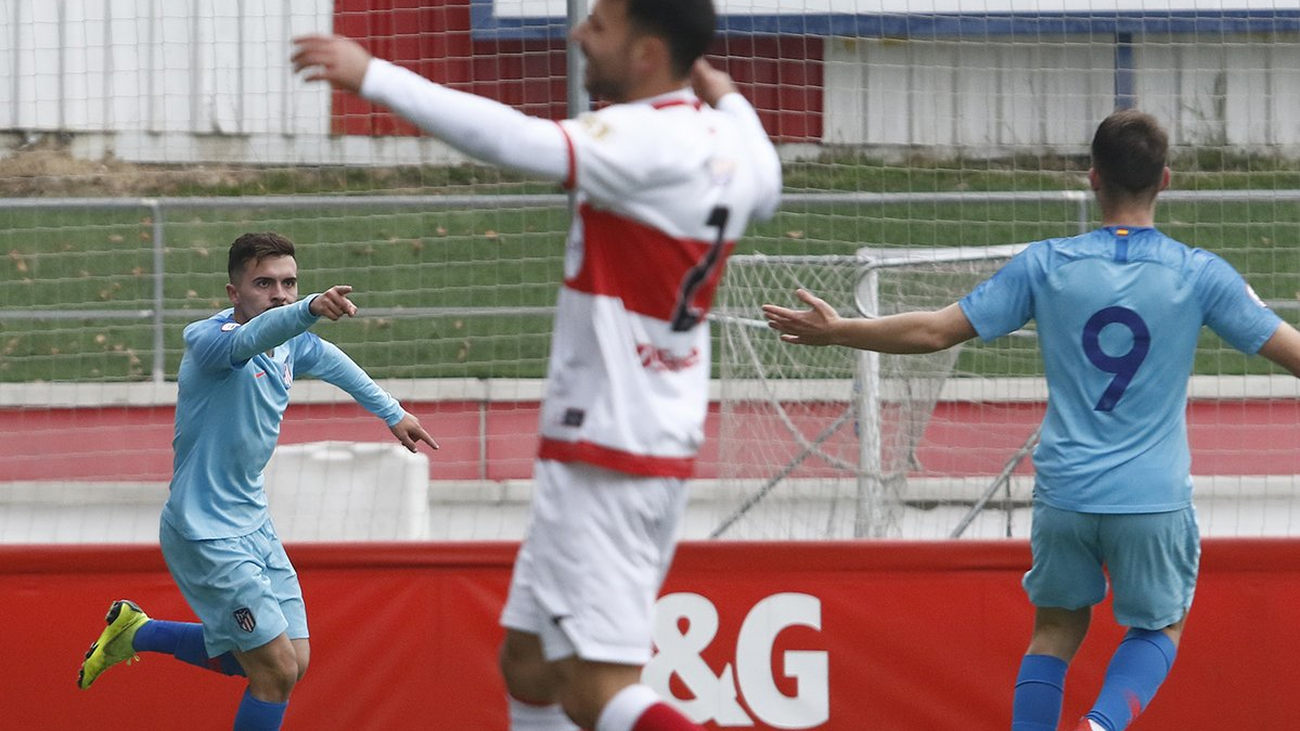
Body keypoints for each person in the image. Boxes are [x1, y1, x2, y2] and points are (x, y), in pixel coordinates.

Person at [291, 1, 780, 730]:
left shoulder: (644, 138)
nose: (578, 32)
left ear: (648, 54)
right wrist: (720, 87)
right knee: (528, 661)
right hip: (633, 437)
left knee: (596, 690)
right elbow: (761, 158)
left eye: (599, 24)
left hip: (610, 449)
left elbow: (517, 140)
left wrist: (373, 75)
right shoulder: (735, 145)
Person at [762, 110, 1300, 731]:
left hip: (1065, 491)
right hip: (1151, 498)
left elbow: (936, 330)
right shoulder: (1200, 273)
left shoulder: (1046, 264)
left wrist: (838, 332)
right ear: (1167, 180)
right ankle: (1101, 725)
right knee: (1160, 625)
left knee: (1054, 630)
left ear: (1092, 178)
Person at [76, 232, 438, 731]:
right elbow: (253, 338)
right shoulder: (209, 341)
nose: (280, 294)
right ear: (234, 293)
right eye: (264, 283)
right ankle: (138, 634)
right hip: (204, 530)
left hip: (254, 524)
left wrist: (392, 413)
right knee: (275, 670)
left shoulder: (292, 344)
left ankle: (138, 632)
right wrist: (310, 307)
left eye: (290, 283)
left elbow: (333, 363)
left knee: (293, 660)